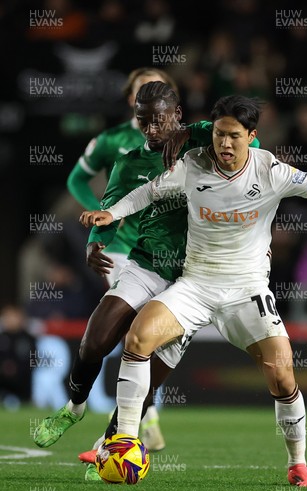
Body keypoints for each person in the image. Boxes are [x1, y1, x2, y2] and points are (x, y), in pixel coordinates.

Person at [80, 95, 307, 488]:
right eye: (220, 135)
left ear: (251, 136)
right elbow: (149, 192)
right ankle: (122, 440)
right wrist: (112, 213)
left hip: (247, 289)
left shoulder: (269, 170)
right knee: (139, 336)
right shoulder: (193, 165)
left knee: (281, 372)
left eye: (234, 137)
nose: (224, 145)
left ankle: (298, 464)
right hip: (196, 285)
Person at [33, 83, 261, 482]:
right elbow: (110, 210)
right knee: (95, 340)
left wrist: (190, 131)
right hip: (147, 264)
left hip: (193, 281)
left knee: (146, 377)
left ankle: (109, 450)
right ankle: (74, 407)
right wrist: (95, 243)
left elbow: (238, 135)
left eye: (161, 119)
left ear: (177, 113)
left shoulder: (207, 146)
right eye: (144, 120)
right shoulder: (129, 162)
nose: (153, 128)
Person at [66, 67, 179, 452]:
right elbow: (82, 184)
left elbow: (248, 153)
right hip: (127, 253)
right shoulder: (116, 145)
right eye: (139, 93)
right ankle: (129, 423)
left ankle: (135, 421)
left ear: (174, 106)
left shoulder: (198, 144)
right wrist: (101, 216)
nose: (151, 123)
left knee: (141, 337)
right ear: (131, 98)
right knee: (117, 334)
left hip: (192, 271)